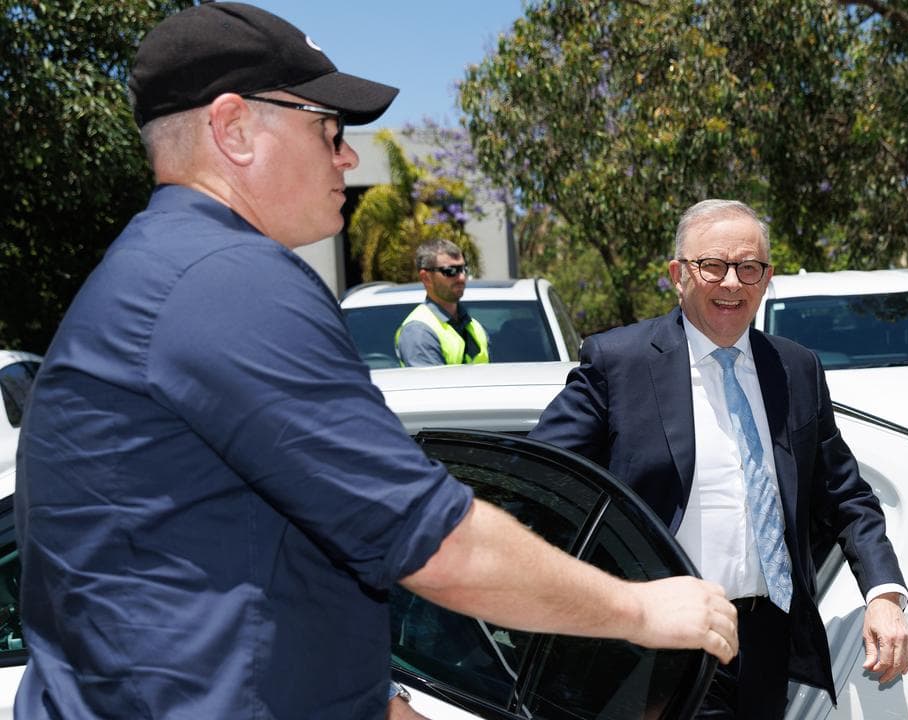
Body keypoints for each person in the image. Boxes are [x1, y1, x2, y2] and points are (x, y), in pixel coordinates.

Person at [13, 5, 737, 719]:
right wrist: (642, 609)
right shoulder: (226, 282)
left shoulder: (166, 273)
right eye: (328, 131)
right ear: (233, 129)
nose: (348, 157)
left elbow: (247, 562)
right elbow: (434, 543)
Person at [529, 199, 908, 719]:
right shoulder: (618, 364)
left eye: (749, 267)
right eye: (713, 266)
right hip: (657, 643)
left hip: (765, 641)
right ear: (678, 275)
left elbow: (845, 494)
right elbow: (541, 481)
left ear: (766, 279)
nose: (732, 283)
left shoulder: (796, 368)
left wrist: (884, 595)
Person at [396, 239, 489, 366]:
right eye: (450, 271)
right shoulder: (419, 331)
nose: (461, 278)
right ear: (426, 277)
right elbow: (431, 379)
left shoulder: (475, 327)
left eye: (463, 269)